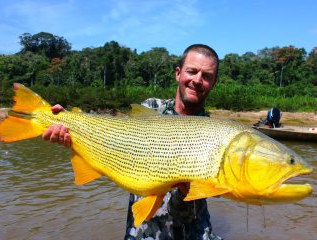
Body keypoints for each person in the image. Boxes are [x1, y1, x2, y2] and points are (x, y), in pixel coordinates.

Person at [43, 44, 222, 240]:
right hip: (143, 232)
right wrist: (67, 122)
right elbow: (111, 135)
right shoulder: (152, 109)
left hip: (194, 233)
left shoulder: (215, 135)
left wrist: (188, 193)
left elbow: (184, 213)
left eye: (206, 76)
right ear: (178, 74)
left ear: (214, 83)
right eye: (192, 71)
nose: (197, 80)